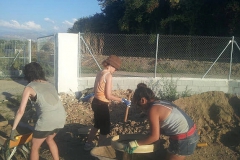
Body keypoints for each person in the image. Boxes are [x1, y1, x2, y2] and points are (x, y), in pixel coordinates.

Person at [125, 83, 199, 160]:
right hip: (189, 133)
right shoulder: (160, 102)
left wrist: (136, 143)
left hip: (184, 140)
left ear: (143, 100)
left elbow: (154, 137)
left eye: (137, 105)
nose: (139, 109)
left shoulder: (153, 110)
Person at [10, 62, 66, 160]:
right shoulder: (50, 84)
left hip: (47, 120)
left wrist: (13, 129)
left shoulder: (29, 88)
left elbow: (20, 111)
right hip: (61, 117)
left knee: (34, 147)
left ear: (27, 74)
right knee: (49, 139)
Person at [84, 55, 131, 151]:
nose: (115, 70)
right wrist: (122, 100)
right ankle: (101, 149)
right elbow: (108, 96)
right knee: (104, 129)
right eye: (115, 68)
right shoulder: (108, 76)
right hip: (102, 105)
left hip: (95, 102)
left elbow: (95, 89)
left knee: (97, 125)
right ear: (111, 65)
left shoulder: (99, 73)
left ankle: (88, 144)